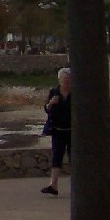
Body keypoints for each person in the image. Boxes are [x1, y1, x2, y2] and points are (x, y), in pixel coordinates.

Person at [41, 67, 72, 196]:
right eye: (64, 79)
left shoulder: (76, 92)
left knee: (74, 158)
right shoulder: (54, 92)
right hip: (57, 130)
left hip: (73, 130)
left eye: (68, 79)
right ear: (59, 80)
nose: (66, 81)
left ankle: (77, 186)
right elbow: (47, 109)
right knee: (56, 157)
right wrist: (50, 104)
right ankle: (53, 185)